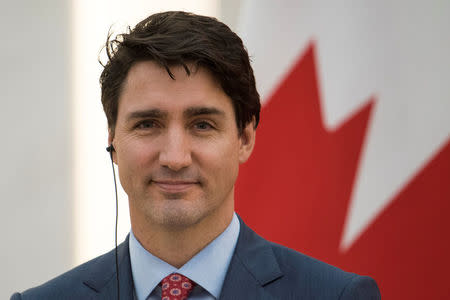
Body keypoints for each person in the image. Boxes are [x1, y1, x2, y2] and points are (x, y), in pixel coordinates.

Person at [11, 11, 381, 300]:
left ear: (245, 138)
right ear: (113, 141)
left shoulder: (337, 297)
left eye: (202, 125)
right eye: (147, 124)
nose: (175, 157)